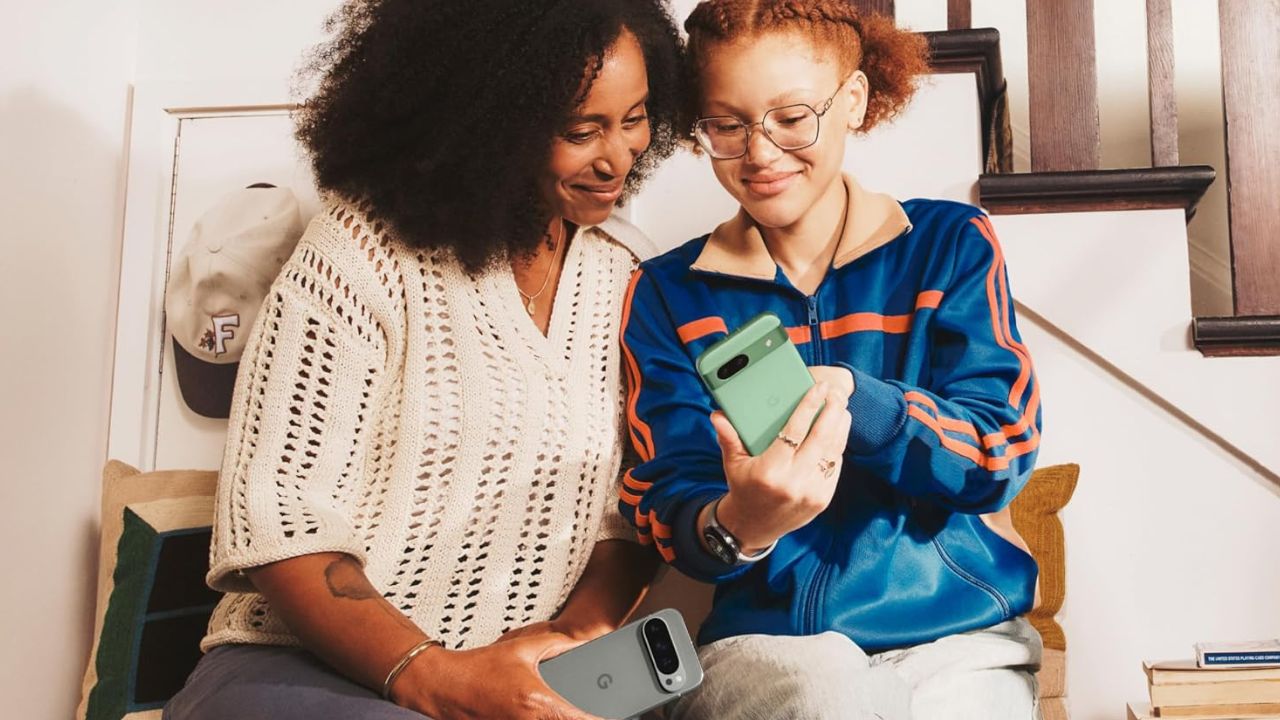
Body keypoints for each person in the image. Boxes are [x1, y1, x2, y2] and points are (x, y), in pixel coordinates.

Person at [163, 1, 683, 719]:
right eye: (581, 130)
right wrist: (435, 677)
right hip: (305, 670)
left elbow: (624, 516)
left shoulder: (627, 274)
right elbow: (281, 520)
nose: (617, 157)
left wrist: (568, 642)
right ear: (492, 124)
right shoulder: (361, 252)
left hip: (514, 687)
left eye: (635, 119)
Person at [618, 1, 1044, 718]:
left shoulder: (949, 244)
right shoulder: (667, 292)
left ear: (853, 100)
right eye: (726, 125)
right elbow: (664, 502)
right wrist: (740, 522)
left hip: (959, 639)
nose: (760, 153)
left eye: (791, 118)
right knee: (827, 699)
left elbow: (1002, 449)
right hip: (768, 647)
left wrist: (865, 405)